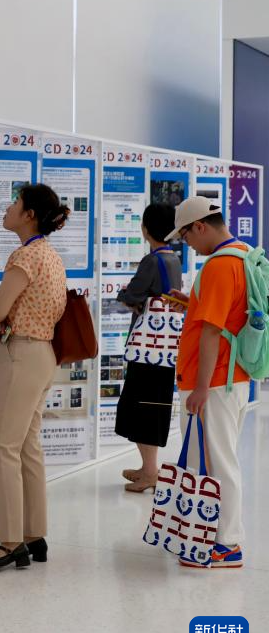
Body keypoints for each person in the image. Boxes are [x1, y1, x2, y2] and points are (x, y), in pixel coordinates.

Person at [0, 183, 69, 571]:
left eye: (15, 202)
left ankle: (11, 541)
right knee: (28, 445)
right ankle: (34, 534)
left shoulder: (24, 257)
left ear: (29, 215)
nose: (8, 207)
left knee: (0, 447)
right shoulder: (51, 255)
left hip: (19, 356)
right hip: (44, 354)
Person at [163, 196, 250, 569]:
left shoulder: (217, 266)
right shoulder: (242, 255)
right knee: (219, 458)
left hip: (213, 382)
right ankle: (214, 537)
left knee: (217, 463)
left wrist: (199, 389)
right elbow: (226, 316)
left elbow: (212, 332)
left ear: (199, 226)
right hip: (232, 377)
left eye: (186, 237)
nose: (188, 245)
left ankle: (226, 544)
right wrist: (191, 304)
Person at [115, 203, 183, 492]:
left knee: (141, 407)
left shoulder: (151, 261)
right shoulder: (174, 259)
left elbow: (133, 294)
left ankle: (150, 472)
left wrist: (125, 295)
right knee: (154, 406)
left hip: (147, 351)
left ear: (145, 229)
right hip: (165, 349)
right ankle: (148, 468)